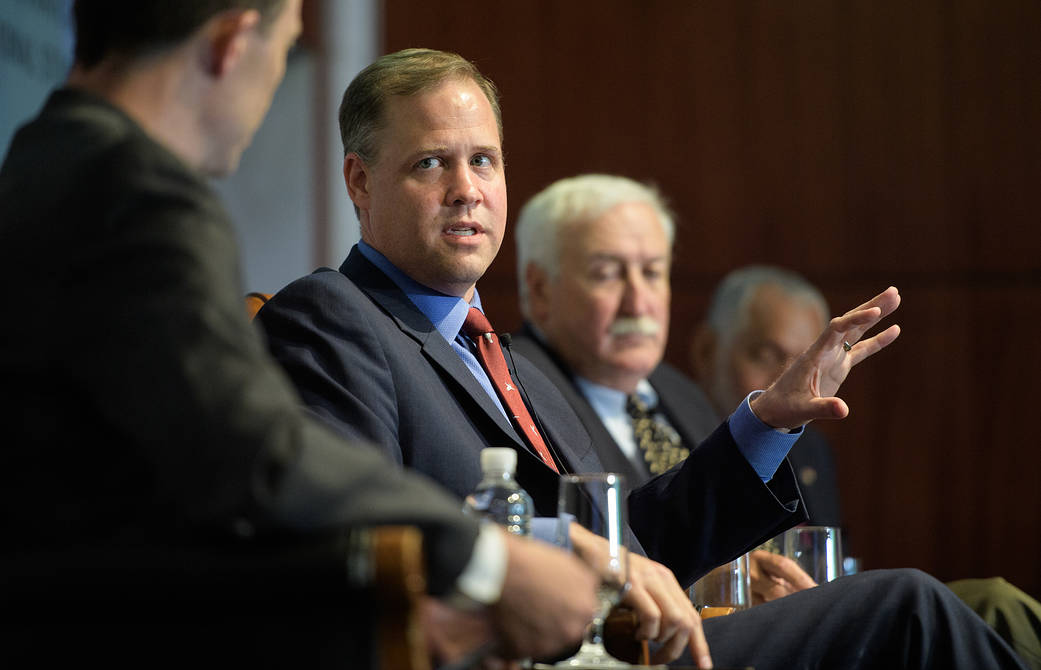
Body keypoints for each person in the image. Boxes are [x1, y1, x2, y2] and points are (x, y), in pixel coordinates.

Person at [255, 48, 1027, 668]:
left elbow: (639, 540)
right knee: (906, 610)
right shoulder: (332, 319)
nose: (467, 190)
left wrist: (764, 420)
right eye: (431, 164)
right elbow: (357, 533)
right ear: (359, 181)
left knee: (965, 611)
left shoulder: (503, 356)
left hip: (631, 644)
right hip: (540, 652)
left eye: (484, 161)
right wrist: (570, 549)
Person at [0, 5, 601, 668]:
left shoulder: (43, 160)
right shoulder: (137, 194)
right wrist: (486, 560)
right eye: (283, 49)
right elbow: (251, 455)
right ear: (232, 44)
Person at [690, 263, 1041, 669]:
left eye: (804, 362)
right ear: (706, 350)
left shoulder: (809, 449)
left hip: (815, 617)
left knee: (994, 602)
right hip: (737, 631)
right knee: (915, 599)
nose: (789, 380)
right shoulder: (676, 430)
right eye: (766, 355)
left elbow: (829, 567)